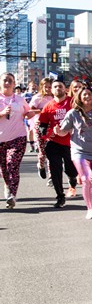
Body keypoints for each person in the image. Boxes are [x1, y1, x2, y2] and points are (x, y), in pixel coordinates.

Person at [55, 84, 92, 219]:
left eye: (89, 94)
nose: (87, 96)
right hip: (79, 151)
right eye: (84, 94)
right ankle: (90, 209)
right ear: (79, 97)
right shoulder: (73, 113)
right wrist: (59, 132)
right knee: (87, 179)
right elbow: (64, 132)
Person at [37, 80, 79, 208]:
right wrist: (48, 133)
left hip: (71, 143)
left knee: (71, 170)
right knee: (56, 170)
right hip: (54, 143)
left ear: (65, 89)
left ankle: (72, 179)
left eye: (60, 86)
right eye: (55, 87)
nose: (57, 88)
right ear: (51, 90)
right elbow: (42, 126)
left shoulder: (73, 102)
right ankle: (60, 196)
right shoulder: (48, 106)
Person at [0, 73, 31, 209]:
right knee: (4, 168)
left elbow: (27, 112)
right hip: (1, 139)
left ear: (14, 84)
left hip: (18, 137)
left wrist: (29, 114)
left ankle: (12, 195)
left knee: (12, 164)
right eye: (5, 80)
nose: (7, 82)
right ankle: (8, 185)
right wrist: (1, 114)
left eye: (10, 81)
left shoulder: (20, 99)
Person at [29, 78, 53, 179]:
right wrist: (42, 110)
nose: (47, 89)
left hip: (52, 127)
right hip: (40, 126)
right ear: (41, 87)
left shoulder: (54, 97)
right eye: (45, 87)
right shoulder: (37, 97)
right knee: (42, 151)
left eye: (50, 87)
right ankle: (41, 165)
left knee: (52, 152)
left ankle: (52, 176)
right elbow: (31, 109)